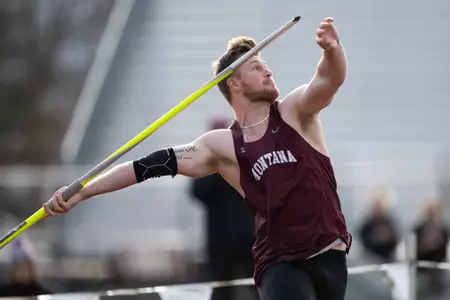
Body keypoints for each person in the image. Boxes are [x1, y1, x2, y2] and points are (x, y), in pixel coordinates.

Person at [44, 17, 351, 300]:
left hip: (330, 253)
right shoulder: (224, 145)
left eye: (266, 64)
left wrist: (333, 50)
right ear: (235, 83)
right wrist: (83, 191)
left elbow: (329, 80)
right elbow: (147, 166)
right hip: (281, 263)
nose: (268, 71)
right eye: (256, 67)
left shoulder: (294, 112)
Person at [190, 117, 255, 300]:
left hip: (249, 235)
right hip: (219, 239)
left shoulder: (244, 158)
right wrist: (218, 168)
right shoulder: (203, 163)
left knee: (258, 285)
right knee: (221, 289)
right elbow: (198, 192)